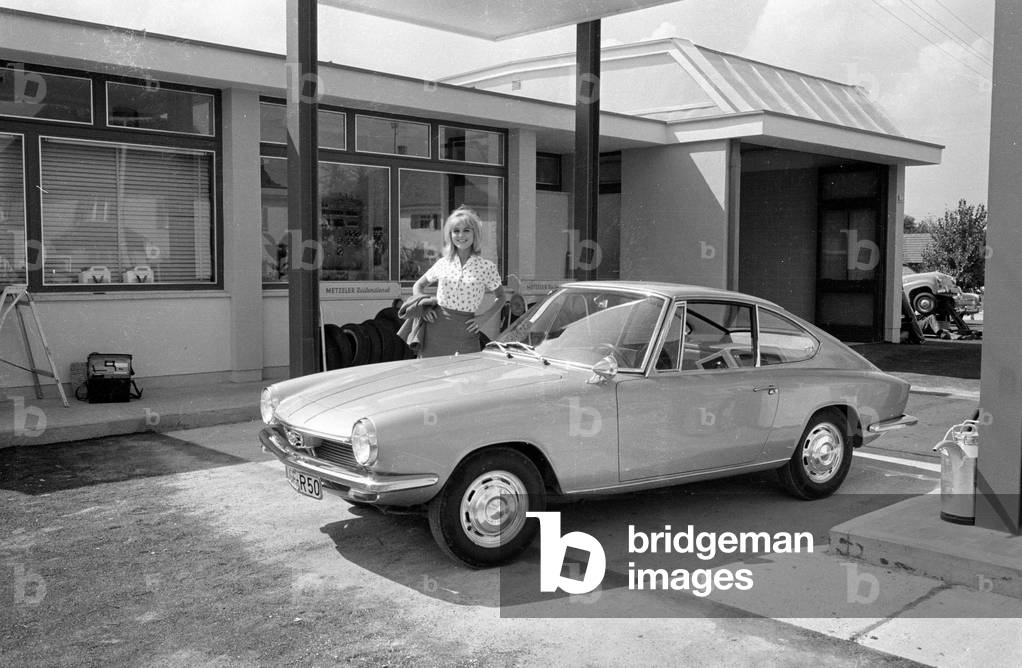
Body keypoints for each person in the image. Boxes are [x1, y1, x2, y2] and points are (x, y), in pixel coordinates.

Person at [411, 206, 505, 357]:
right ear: (450, 235)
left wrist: (484, 318)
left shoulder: (486, 267)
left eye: (466, 230)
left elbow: (501, 297)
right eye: (456, 231)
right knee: (432, 376)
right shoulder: (443, 263)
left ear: (475, 233)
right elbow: (418, 286)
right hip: (435, 329)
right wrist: (424, 309)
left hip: (467, 332)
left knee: (466, 377)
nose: (461, 235)